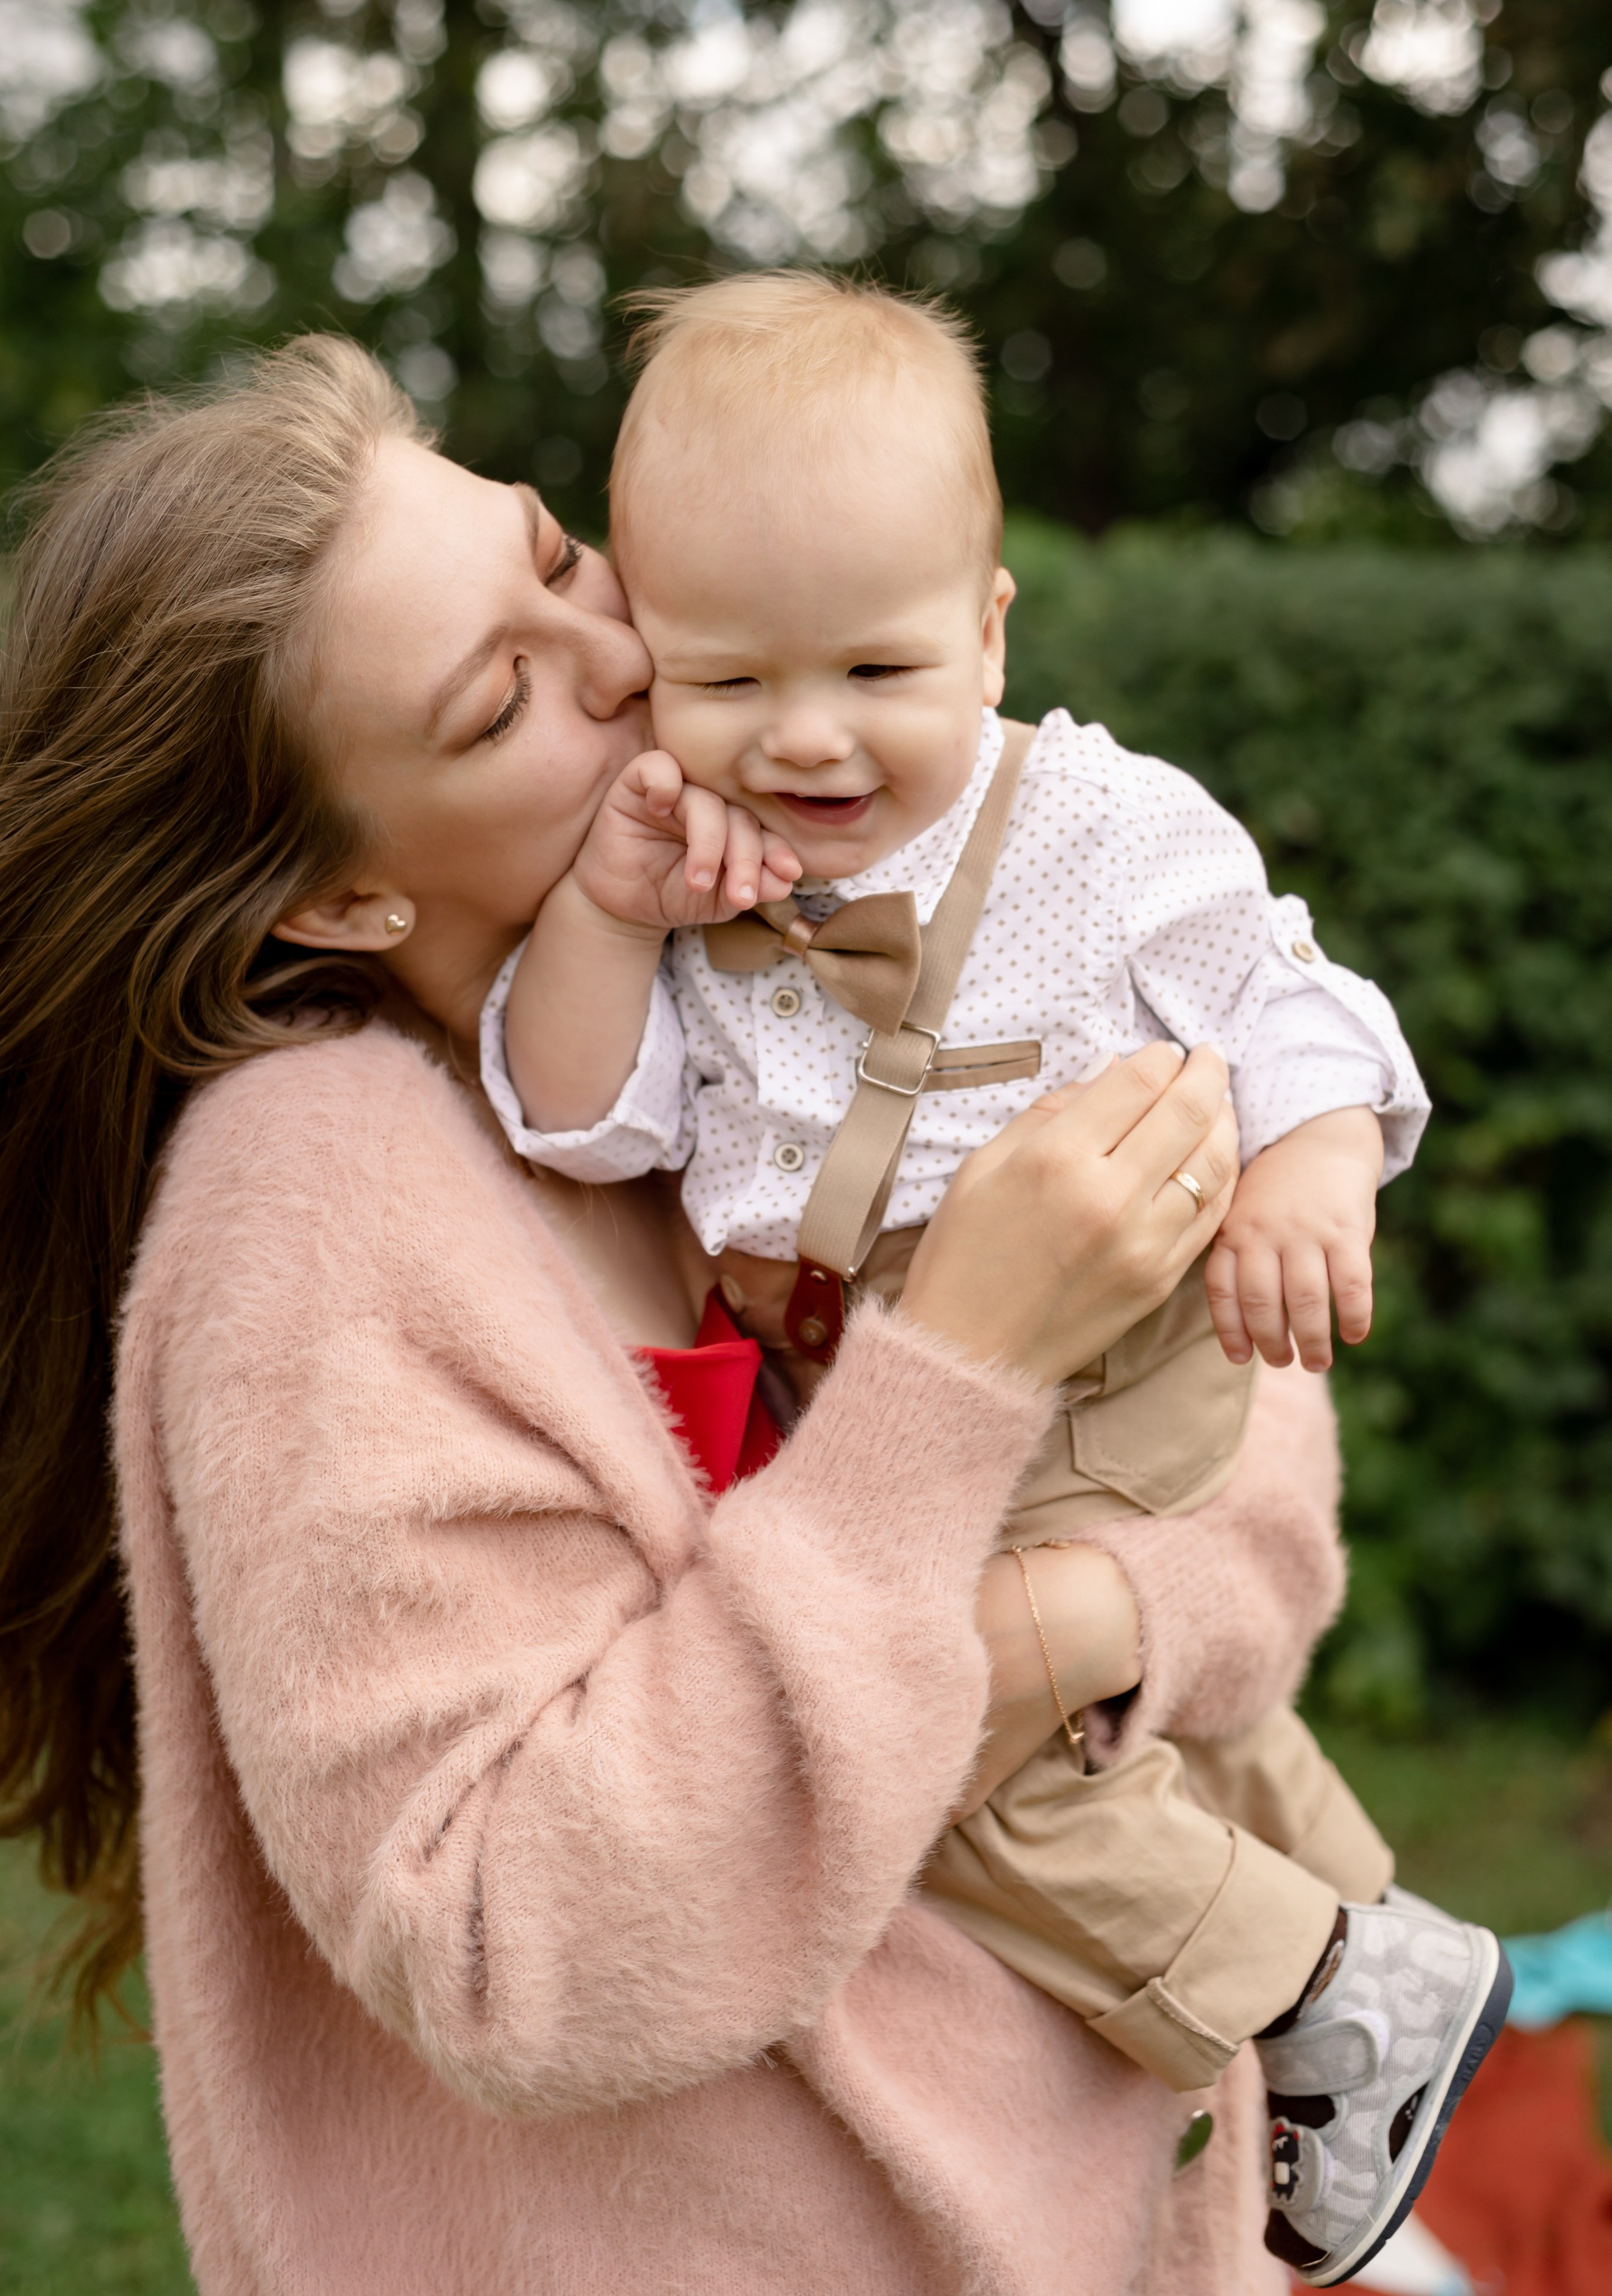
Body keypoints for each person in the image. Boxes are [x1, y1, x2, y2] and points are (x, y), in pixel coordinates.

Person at [4, 334, 1358, 2296]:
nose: (623, 660)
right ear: (341, 894)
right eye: (500, 699)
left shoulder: (763, 983)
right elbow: (512, 1937)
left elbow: (1256, 1445)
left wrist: (1077, 1617)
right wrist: (959, 1376)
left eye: (557, 560)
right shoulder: (313, 1210)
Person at [486, 273, 1510, 2287]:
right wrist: (610, 916)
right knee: (1092, 1710)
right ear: (654, 666)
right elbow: (578, 1116)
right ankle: (1361, 1893)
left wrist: (1309, 1170)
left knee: (941, 1739)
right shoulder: (685, 876)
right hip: (881, 1374)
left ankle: (1326, 1985)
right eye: (725, 679)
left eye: (877, 664)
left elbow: (1292, 1001)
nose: (804, 735)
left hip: (1102, 1358)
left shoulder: (1106, 831)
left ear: (990, 624)